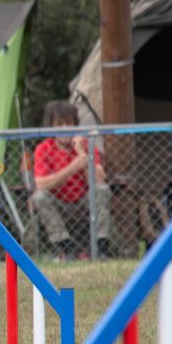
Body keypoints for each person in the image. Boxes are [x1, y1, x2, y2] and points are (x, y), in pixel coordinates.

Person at [31, 100, 113, 261]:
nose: (65, 128)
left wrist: (83, 156)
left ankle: (101, 247)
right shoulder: (43, 149)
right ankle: (65, 247)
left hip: (83, 203)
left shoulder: (86, 145)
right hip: (58, 203)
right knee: (39, 196)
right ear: (51, 127)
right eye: (59, 124)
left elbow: (100, 180)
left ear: (75, 125)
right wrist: (74, 167)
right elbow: (40, 184)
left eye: (69, 123)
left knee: (102, 190)